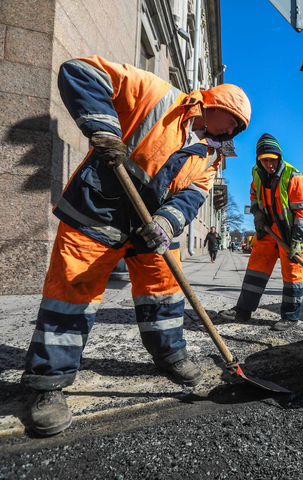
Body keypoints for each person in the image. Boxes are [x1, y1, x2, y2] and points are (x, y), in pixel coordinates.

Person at [22, 55, 251, 437]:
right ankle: (49, 385)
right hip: (100, 209)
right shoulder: (157, 93)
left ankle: (171, 355)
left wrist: (166, 222)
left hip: (150, 227)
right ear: (213, 104)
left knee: (165, 290)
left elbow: (192, 197)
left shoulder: (210, 158)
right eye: (233, 123)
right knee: (71, 292)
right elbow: (80, 71)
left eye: (237, 129)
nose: (233, 131)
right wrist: (105, 129)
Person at [218, 134, 303, 331]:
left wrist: (296, 241)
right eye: (265, 160)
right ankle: (243, 311)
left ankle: (290, 316)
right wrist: (257, 214)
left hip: (291, 232)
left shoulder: (294, 177)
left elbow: (302, 213)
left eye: (273, 160)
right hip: (268, 230)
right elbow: (254, 195)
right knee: (255, 269)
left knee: (293, 275)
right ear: (258, 160)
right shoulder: (257, 174)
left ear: (279, 158)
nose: (269, 164)